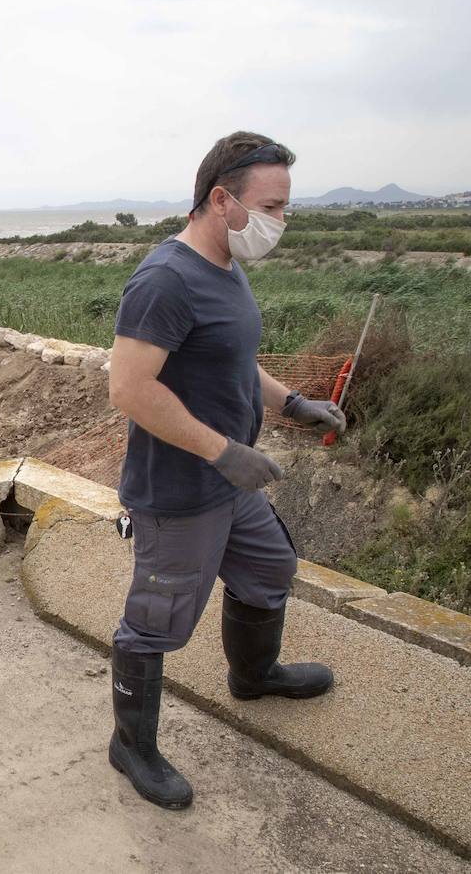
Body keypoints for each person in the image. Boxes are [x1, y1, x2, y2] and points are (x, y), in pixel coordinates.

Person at [105, 131, 347, 810]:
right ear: (221, 200)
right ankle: (131, 745)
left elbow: (236, 359)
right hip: (181, 491)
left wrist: (294, 402)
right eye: (271, 207)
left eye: (285, 209)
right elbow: (128, 388)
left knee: (270, 569)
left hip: (231, 484)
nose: (280, 223)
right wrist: (222, 451)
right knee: (156, 624)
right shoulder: (165, 281)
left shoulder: (227, 269)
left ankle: (254, 674)